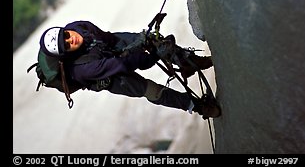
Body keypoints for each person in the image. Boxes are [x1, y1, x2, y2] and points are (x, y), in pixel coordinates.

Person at [39, 20, 221, 118]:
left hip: (107, 47)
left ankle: (188, 63)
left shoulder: (79, 27)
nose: (71, 40)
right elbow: (121, 64)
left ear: (65, 29)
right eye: (66, 45)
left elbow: (109, 39)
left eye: (66, 36)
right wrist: (153, 56)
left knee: (152, 39)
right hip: (108, 78)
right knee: (152, 91)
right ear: (65, 55)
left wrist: (139, 42)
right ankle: (200, 107)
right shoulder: (82, 69)